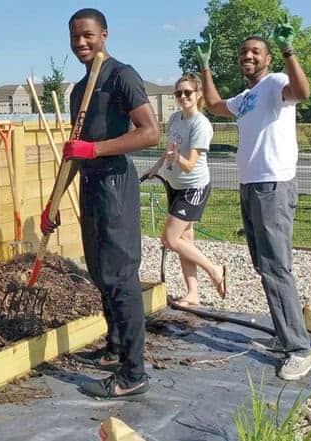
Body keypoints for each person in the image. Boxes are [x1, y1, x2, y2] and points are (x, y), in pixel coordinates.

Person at [41, 8, 160, 399]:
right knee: (100, 271)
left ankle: (133, 374)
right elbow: (74, 154)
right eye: (74, 36)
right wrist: (52, 204)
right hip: (90, 184)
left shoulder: (121, 76)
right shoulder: (79, 91)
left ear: (104, 35)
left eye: (88, 35)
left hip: (115, 184)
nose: (81, 43)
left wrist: (94, 149)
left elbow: (150, 133)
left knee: (121, 276)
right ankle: (114, 348)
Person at [195, 19, 311, 380]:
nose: (248, 55)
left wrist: (288, 50)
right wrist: (205, 67)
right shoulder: (247, 97)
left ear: (267, 58)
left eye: (255, 51)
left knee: (277, 267)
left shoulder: (276, 82)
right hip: (251, 186)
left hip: (272, 185)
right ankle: (285, 333)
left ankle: (300, 350)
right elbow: (214, 104)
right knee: (264, 265)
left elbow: (302, 91)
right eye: (244, 52)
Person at [142, 73, 227, 307]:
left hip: (193, 188)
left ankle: (215, 270)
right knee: (184, 240)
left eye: (187, 92)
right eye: (178, 93)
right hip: (175, 186)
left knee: (169, 239)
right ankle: (193, 294)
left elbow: (189, 165)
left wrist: (176, 156)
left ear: (198, 95)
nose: (182, 97)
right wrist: (156, 168)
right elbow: (169, 151)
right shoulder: (175, 119)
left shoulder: (201, 125)